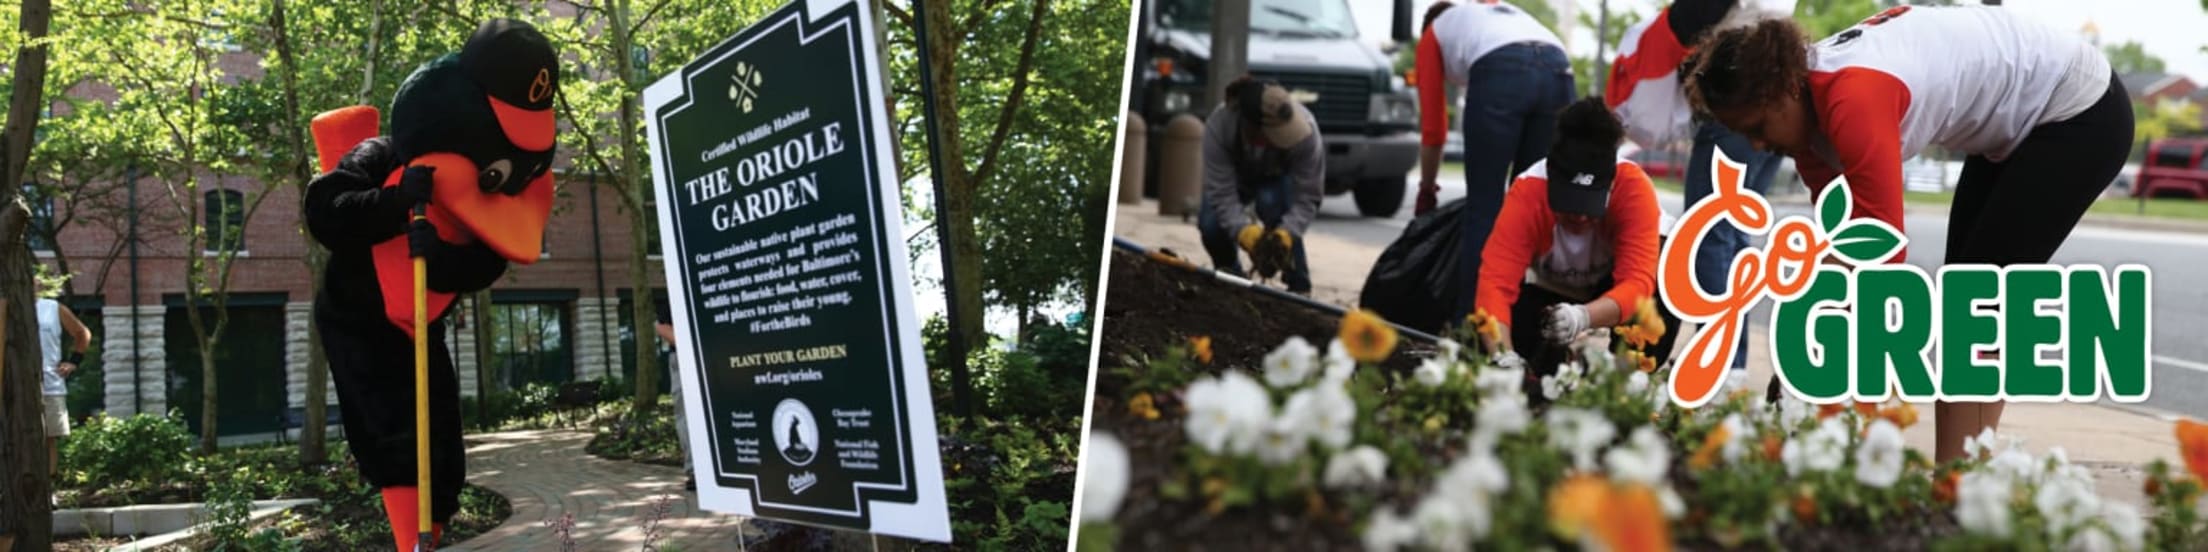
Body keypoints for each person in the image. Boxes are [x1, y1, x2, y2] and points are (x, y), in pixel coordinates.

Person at [1682, 6, 2132, 462]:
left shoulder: (1852, 98)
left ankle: (1959, 487)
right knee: (1969, 294)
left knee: (1977, 304)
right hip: (2012, 124)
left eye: (1757, 128)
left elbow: (1880, 265)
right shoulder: (1808, 134)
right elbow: (1843, 250)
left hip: (2080, 108)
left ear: (1786, 89)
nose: (1758, 146)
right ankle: (1955, 481)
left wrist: (1804, 362)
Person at [1605, 0, 1790, 382]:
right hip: (1774, 95)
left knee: (1709, 236)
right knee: (1734, 240)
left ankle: (1718, 365)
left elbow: (1690, 22)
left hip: (1736, 102)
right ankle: (1730, 362)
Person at [1476, 98, 1672, 386]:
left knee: (1660, 298)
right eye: (1569, 203)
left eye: (1589, 205)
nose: (1580, 217)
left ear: (1610, 184)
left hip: (1612, 286)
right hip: (1550, 289)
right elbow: (1494, 284)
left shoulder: (1633, 188)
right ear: (1552, 179)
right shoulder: (1529, 191)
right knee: (1510, 343)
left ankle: (1625, 389)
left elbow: (1638, 285)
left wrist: (1583, 316)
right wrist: (1502, 355)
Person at [1411, 0, 1575, 320]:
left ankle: (1473, 324)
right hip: (1559, 68)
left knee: (1485, 207)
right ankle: (1525, 320)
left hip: (1503, 73)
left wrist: (1427, 187)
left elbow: (1433, 129)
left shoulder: (1433, 34)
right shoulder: (1494, 13)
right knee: (1534, 208)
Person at [1199, 77, 1322, 295]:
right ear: (1251, 126)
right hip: (1236, 178)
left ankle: (1298, 285)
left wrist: (1286, 234)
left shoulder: (1306, 132)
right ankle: (1232, 279)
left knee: (1272, 201)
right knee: (1210, 224)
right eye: (1277, 134)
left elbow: (1308, 197)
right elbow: (1221, 192)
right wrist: (1243, 231)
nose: (1285, 138)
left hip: (1277, 179)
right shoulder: (1220, 127)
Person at [37, 295, 91, 491]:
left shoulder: (52, 308)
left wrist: (73, 362)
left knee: (48, 437)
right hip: (12, 384)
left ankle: (48, 490)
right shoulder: (4, 306)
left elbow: (81, 333)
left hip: (50, 384)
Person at [650, 292, 698, 491]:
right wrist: (693, 348)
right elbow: (661, 327)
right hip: (685, 358)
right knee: (687, 416)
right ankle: (695, 471)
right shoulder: (676, 292)